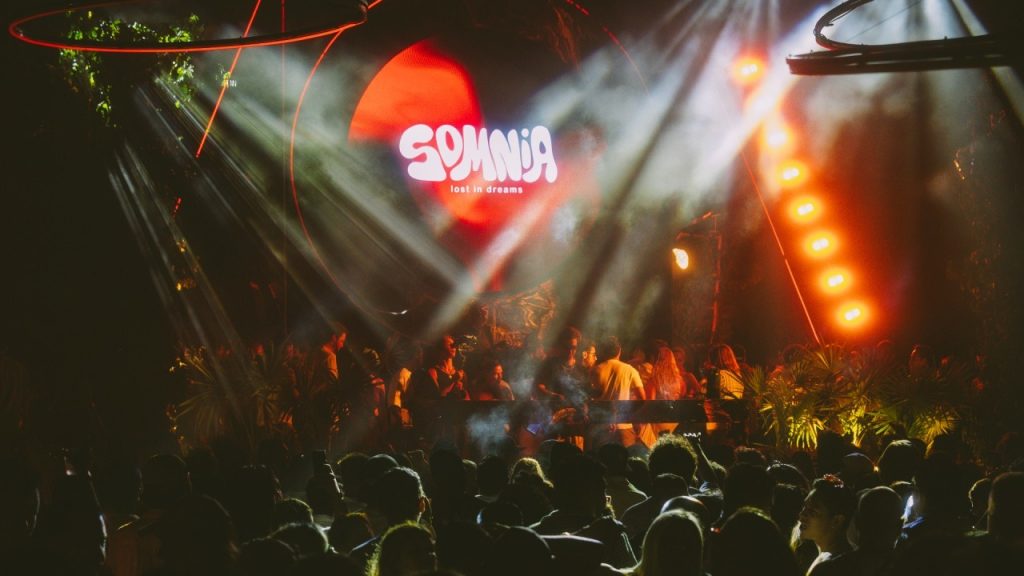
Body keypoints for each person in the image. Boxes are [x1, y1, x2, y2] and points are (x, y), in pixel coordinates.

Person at [590, 336, 646, 447]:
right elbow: (642, 398)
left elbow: (591, 397)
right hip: (624, 426)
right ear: (619, 351)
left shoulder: (596, 370)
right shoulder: (630, 370)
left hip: (602, 425)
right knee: (626, 456)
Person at [799, 476, 856, 575]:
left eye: (812, 512)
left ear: (836, 521)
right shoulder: (826, 557)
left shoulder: (835, 567)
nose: (801, 515)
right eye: (804, 507)